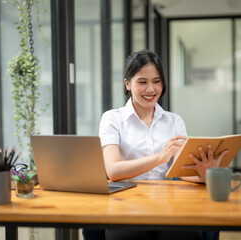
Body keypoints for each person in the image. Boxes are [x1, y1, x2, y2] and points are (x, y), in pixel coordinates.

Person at [83, 49, 228, 240]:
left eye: (156, 81)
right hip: (126, 206)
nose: (150, 89)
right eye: (142, 82)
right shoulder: (112, 119)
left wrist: (204, 174)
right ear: (127, 83)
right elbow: (114, 171)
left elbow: (182, 172)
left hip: (168, 206)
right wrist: (160, 157)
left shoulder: (174, 121)